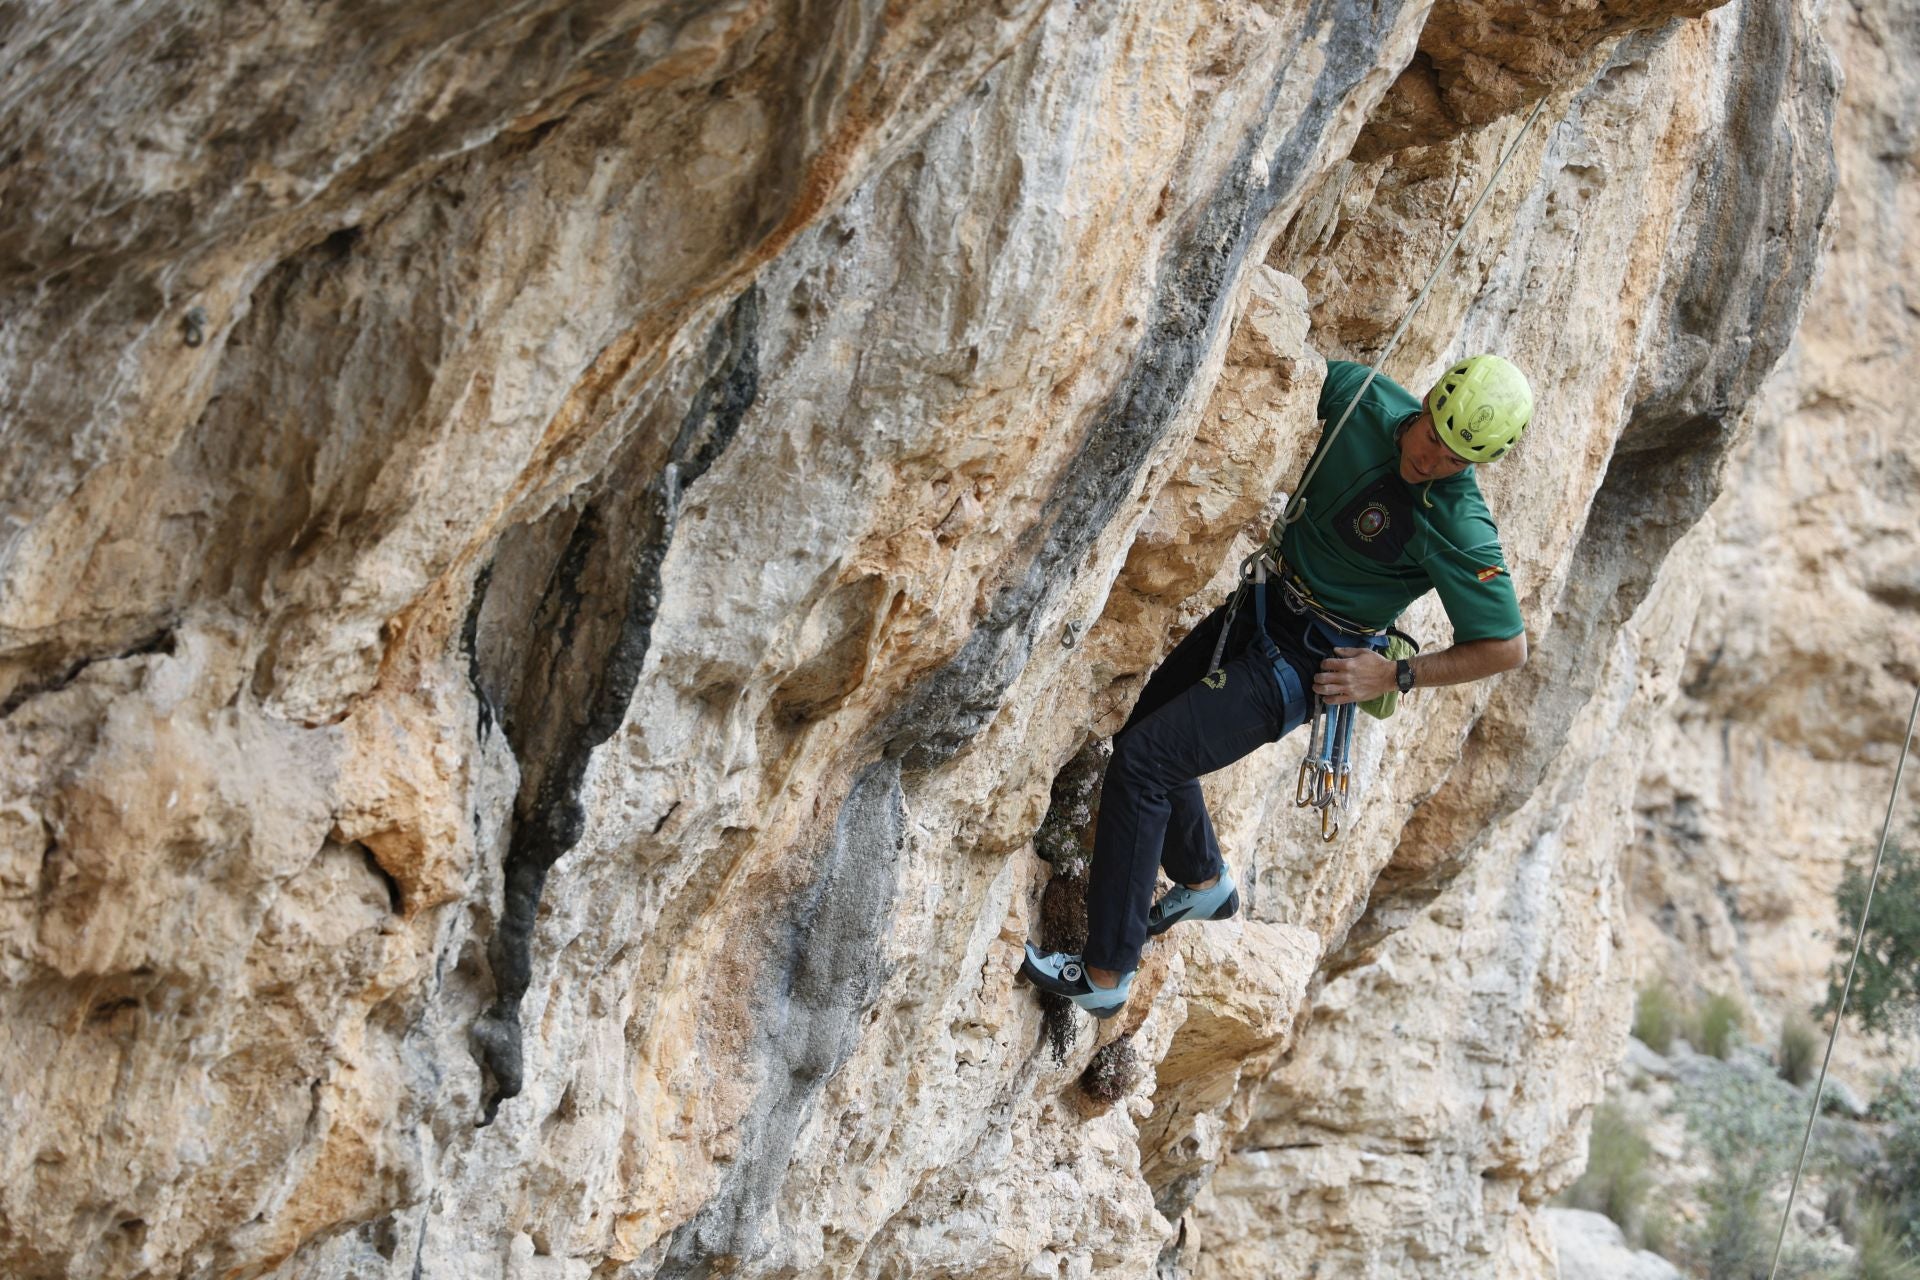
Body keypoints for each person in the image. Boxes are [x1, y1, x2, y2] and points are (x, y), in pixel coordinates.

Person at [1020, 354, 1534, 1017]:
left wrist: (1397, 674)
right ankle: (1204, 881)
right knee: (1148, 733)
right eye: (1435, 434)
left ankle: (1106, 972)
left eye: (1457, 457)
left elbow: (1505, 646)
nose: (1433, 460)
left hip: (1307, 664)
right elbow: (1284, 367)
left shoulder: (1460, 524)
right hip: (1261, 603)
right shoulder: (1363, 401)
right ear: (1431, 399)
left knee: (1145, 766)